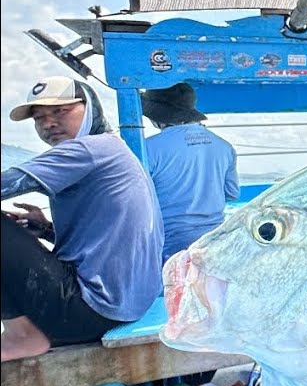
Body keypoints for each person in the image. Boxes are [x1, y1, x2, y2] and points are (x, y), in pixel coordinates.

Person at [1, 76, 164, 361]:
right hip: (125, 302)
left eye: (60, 111)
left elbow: (9, 182)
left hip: (93, 311)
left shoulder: (90, 148)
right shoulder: (112, 148)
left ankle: (22, 335)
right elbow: (110, 234)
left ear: (91, 108)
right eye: (39, 118)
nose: (48, 123)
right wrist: (47, 229)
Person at [141, 82, 239, 263]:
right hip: (215, 241)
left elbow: (137, 203)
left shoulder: (146, 148)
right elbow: (232, 194)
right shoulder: (225, 147)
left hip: (168, 246)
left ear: (157, 115)